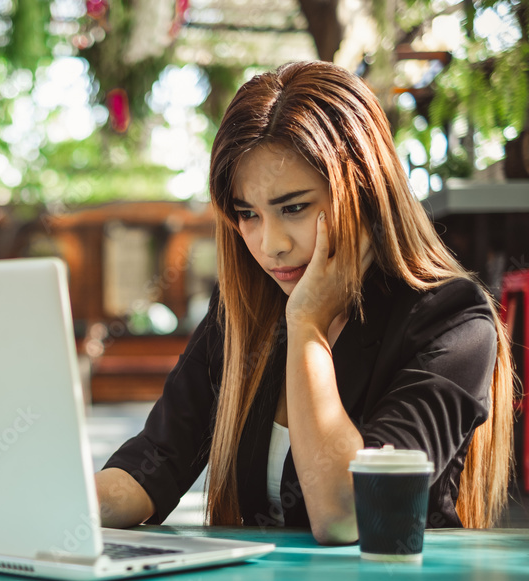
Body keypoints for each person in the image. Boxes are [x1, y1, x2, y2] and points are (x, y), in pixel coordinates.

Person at [94, 61, 514, 544]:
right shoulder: (245, 307)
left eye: (293, 208)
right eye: (247, 214)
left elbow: (350, 514)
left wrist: (308, 327)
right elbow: (154, 464)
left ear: (363, 192)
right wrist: (58, 505)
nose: (270, 244)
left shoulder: (454, 322)